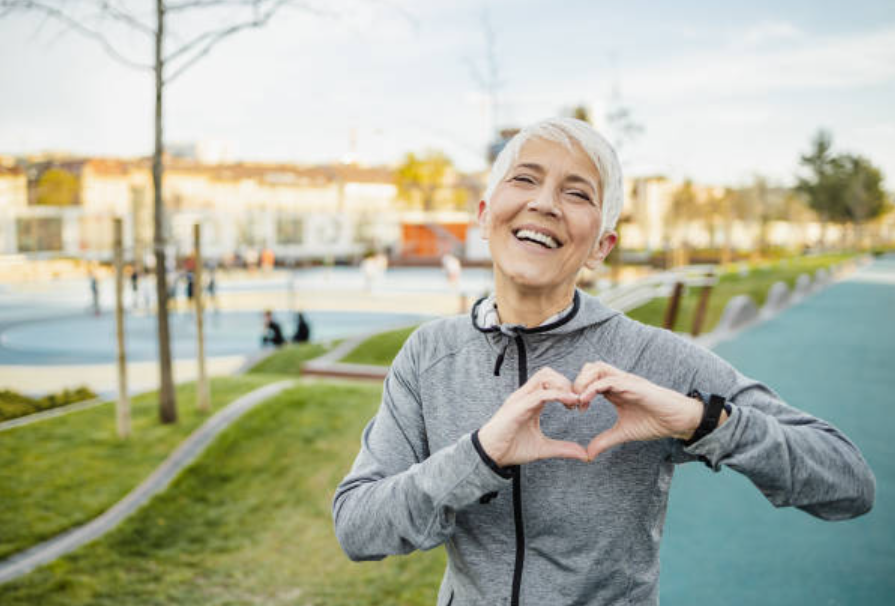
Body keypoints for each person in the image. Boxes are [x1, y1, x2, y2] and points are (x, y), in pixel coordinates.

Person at [332, 118, 876, 606]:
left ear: (601, 246)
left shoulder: (651, 357)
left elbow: (847, 483)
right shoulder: (429, 357)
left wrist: (699, 420)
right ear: (484, 213)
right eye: (524, 179)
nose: (544, 203)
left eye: (577, 193)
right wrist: (479, 456)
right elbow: (358, 528)